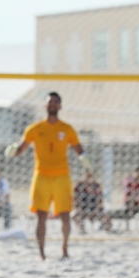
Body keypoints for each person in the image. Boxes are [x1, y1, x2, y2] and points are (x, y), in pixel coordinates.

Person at [5, 91, 93, 260]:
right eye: (49, 101)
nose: (52, 104)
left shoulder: (67, 129)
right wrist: (12, 151)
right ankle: (41, 253)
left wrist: (85, 158)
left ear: (60, 106)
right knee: (41, 216)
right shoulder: (34, 129)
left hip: (62, 176)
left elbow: (79, 150)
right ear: (45, 105)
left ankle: (65, 249)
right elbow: (20, 150)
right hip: (41, 176)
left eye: (55, 102)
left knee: (65, 215)